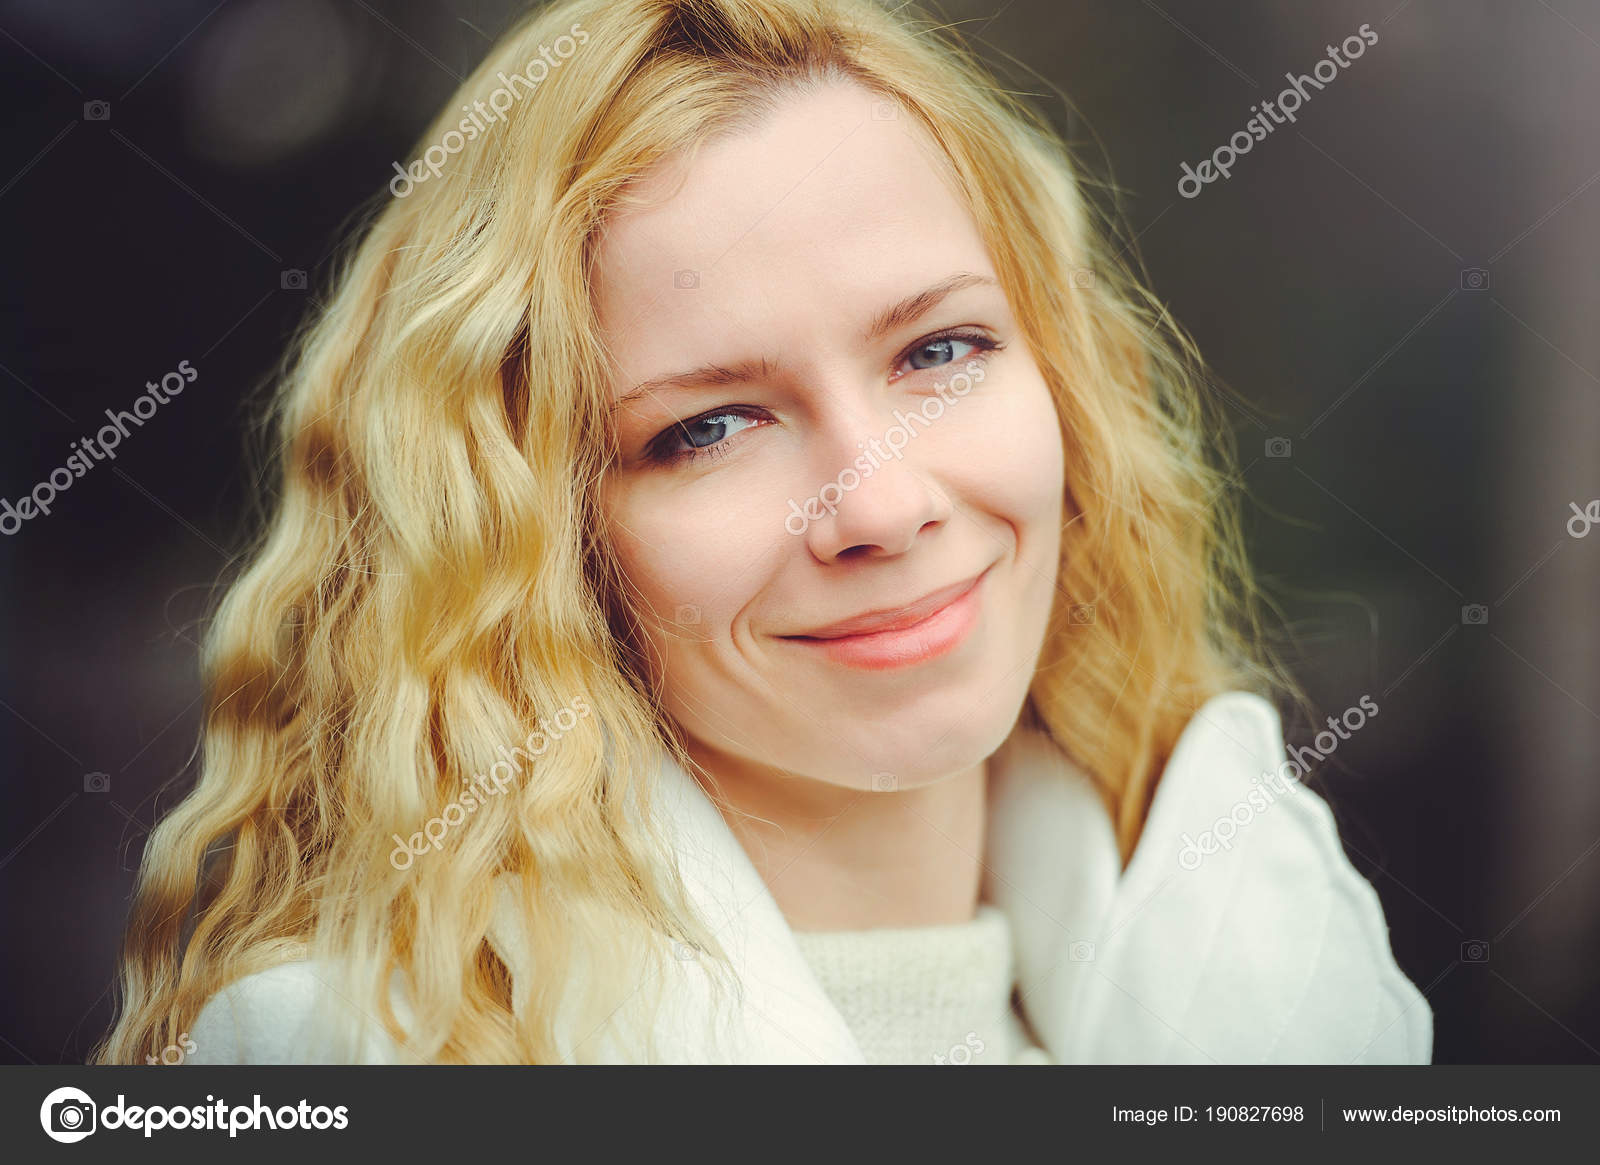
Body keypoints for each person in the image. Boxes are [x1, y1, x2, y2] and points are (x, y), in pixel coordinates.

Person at [93, 0, 1430, 1066]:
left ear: (1064, 380)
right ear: (538, 541)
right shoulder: (363, 1065)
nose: (882, 505)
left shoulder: (1285, 990)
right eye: (710, 427)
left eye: (941, 348)